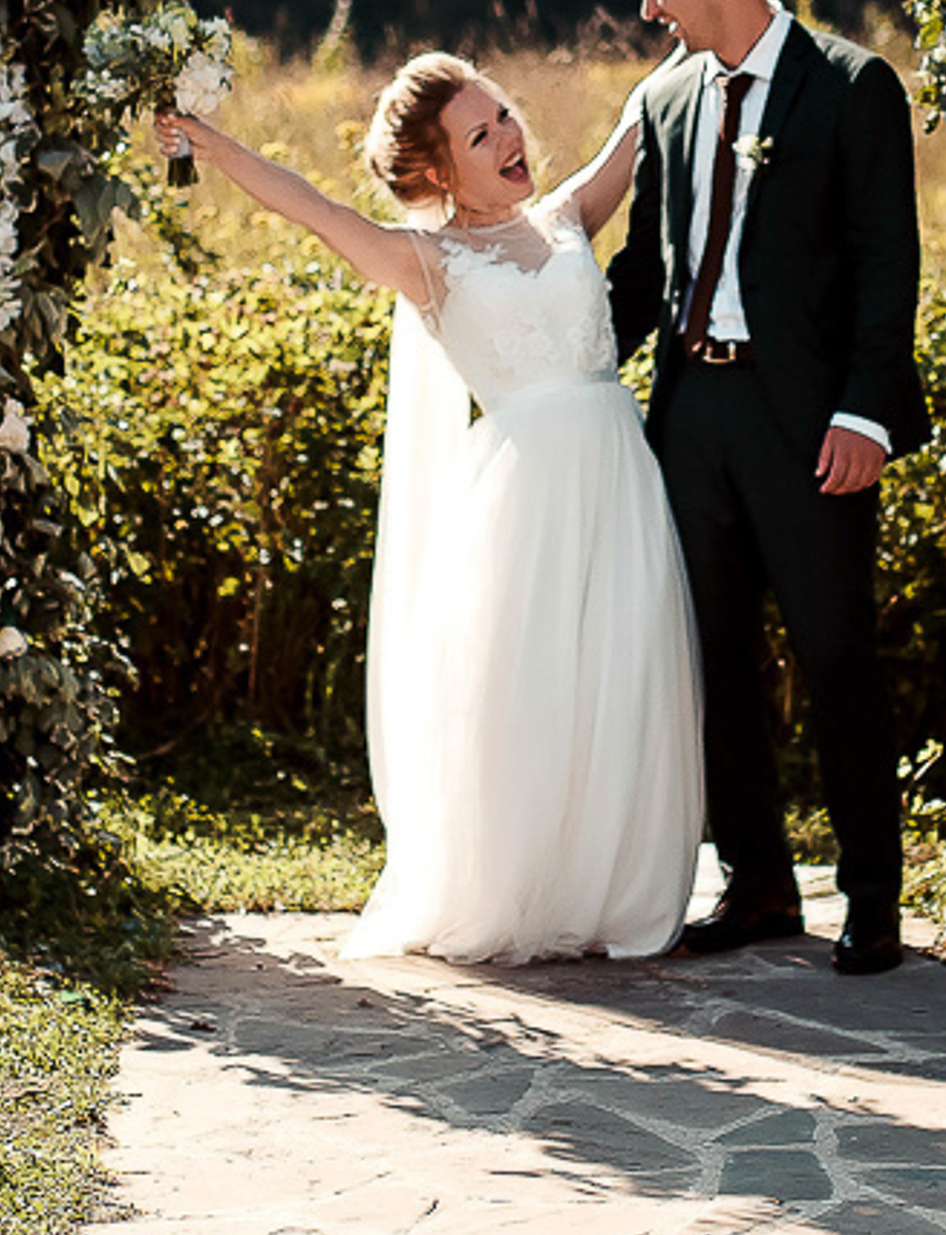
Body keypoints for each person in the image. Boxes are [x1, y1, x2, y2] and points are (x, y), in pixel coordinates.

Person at [155, 58, 701, 963]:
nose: (509, 140)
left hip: (619, 476)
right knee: (531, 694)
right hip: (526, 499)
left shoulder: (566, 219)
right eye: (480, 136)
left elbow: (639, 129)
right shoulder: (428, 262)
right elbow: (311, 210)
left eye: (506, 118)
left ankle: (606, 889)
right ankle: (523, 886)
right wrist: (210, 143)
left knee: (622, 673)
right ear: (440, 171)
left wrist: (695, 38)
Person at [607, 0, 928, 976]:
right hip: (690, 413)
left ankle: (873, 900)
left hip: (810, 423)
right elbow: (641, 276)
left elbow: (891, 267)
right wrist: (551, 371)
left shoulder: (849, 87)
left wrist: (865, 415)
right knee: (711, 657)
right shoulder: (664, 102)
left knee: (837, 653)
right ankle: (756, 886)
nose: (651, 9)